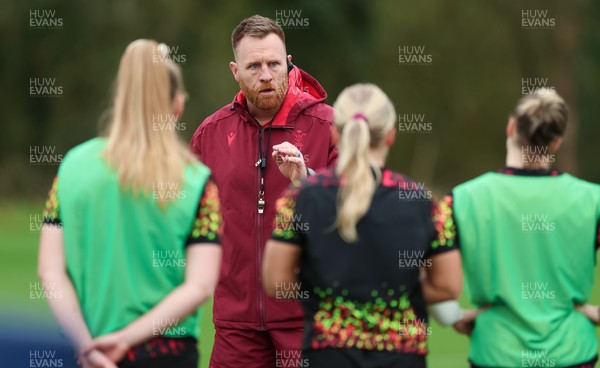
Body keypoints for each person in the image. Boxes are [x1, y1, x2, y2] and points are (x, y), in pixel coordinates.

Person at [37, 39, 222, 368]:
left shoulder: (71, 168)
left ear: (121, 100)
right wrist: (126, 340)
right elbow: (200, 285)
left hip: (88, 351)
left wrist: (86, 346)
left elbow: (50, 270)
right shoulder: (197, 181)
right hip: (168, 354)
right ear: (177, 106)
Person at [262, 83, 462, 368]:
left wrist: (327, 291)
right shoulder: (422, 202)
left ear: (335, 133)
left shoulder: (301, 198)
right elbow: (448, 286)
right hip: (401, 357)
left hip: (328, 355)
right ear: (391, 136)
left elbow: (275, 280)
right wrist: (395, 291)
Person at [190, 15, 337, 367]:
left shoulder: (330, 126)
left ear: (288, 63)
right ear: (235, 71)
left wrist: (306, 179)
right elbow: (187, 221)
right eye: (253, 66)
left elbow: (352, 212)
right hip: (235, 325)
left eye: (274, 63)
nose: (266, 75)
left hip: (308, 321)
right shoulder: (209, 135)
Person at [447, 88, 600, 367]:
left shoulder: (463, 199)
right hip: (572, 353)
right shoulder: (593, 199)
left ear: (511, 126)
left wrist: (451, 315)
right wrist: (593, 312)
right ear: (556, 143)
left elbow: (429, 277)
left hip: (495, 351)